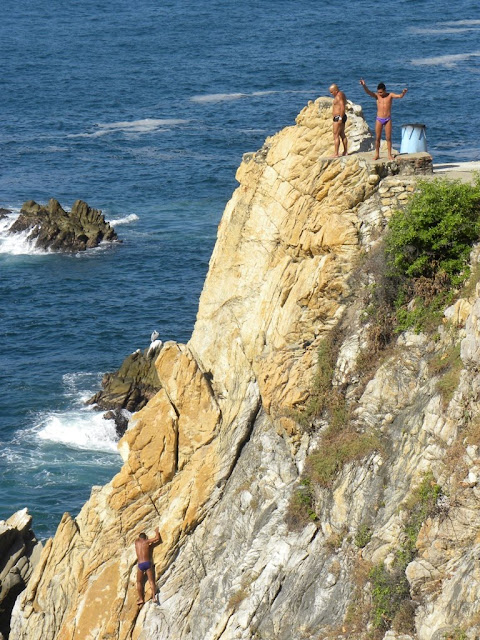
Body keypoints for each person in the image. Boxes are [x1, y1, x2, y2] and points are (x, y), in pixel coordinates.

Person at [359, 79, 407, 161]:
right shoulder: (377, 96)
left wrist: (403, 92)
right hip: (379, 119)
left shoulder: (390, 95)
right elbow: (368, 92)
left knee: (388, 138)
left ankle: (389, 154)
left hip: (388, 119)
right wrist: (364, 85)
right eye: (378, 92)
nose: (380, 94)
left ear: (385, 90)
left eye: (381, 92)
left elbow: (399, 96)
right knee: (378, 138)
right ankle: (377, 154)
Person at [135, 527, 161, 606]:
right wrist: (156, 531)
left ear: (139, 538)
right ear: (145, 538)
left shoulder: (136, 542)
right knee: (151, 581)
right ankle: (153, 597)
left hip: (140, 564)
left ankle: (141, 599)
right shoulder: (147, 542)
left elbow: (138, 539)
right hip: (147, 563)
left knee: (139, 582)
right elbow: (157, 538)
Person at [329, 84, 348, 157]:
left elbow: (342, 106)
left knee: (336, 135)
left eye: (331, 92)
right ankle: (345, 152)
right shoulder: (341, 94)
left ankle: (336, 153)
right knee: (342, 134)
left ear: (336, 91)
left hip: (338, 117)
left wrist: (340, 118)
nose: (331, 94)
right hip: (341, 116)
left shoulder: (339, 96)